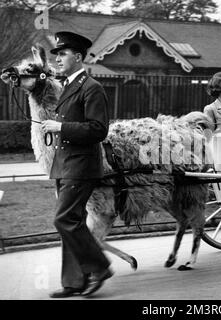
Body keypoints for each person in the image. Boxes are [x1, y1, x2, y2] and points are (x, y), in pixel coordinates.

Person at [41, 31, 112, 298]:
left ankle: (100, 267)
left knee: (65, 219)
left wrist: (61, 127)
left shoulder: (92, 87)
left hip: (81, 167)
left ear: (79, 57)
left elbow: (98, 129)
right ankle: (74, 282)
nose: (57, 59)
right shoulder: (69, 85)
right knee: (73, 220)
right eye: (56, 54)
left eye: (63, 54)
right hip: (66, 165)